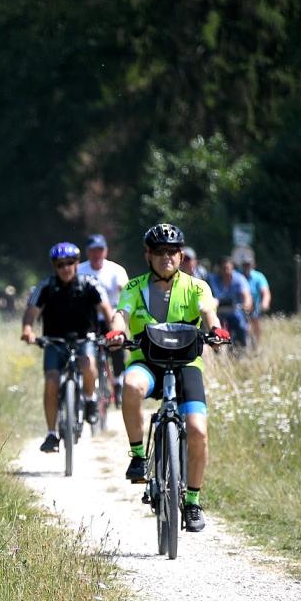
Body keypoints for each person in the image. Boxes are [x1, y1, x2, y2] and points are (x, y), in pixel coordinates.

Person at [105, 223, 230, 533]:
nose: (166, 257)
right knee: (131, 386)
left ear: (181, 254)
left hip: (187, 364)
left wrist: (214, 329)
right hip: (147, 362)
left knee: (198, 432)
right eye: (159, 252)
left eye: (172, 252)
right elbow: (121, 313)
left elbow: (208, 311)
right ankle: (137, 456)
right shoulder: (134, 288)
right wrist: (117, 331)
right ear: (148, 255)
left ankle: (192, 502)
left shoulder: (197, 286)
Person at [22, 241, 115, 453]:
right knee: (52, 380)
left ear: (77, 263)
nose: (65, 268)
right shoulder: (46, 286)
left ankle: (91, 400)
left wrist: (112, 332)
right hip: (55, 341)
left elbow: (107, 310)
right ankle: (51, 434)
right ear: (54, 266)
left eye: (70, 263)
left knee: (87, 363)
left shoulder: (89, 284)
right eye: (60, 264)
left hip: (84, 338)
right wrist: (28, 329)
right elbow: (31, 311)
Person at [78, 233, 131, 387]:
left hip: (111, 316)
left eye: (100, 250)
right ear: (87, 252)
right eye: (93, 250)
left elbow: (125, 291)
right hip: (88, 318)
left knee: (116, 343)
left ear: (105, 251)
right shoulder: (80, 270)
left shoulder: (115, 270)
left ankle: (118, 380)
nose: (97, 254)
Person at [208, 257, 252, 350]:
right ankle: (215, 349)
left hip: (235, 310)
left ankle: (242, 348)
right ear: (219, 269)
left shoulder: (239, 279)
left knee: (241, 325)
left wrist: (247, 304)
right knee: (213, 328)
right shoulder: (212, 279)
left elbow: (246, 295)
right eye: (224, 268)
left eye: (229, 268)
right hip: (218, 311)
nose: (227, 271)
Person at [239, 251, 271, 348]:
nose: (246, 267)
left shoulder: (259, 276)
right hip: (240, 306)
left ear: (253, 265)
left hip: (255, 307)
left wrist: (265, 303)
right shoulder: (237, 276)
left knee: (256, 323)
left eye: (248, 264)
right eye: (244, 265)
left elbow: (265, 292)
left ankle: (257, 344)